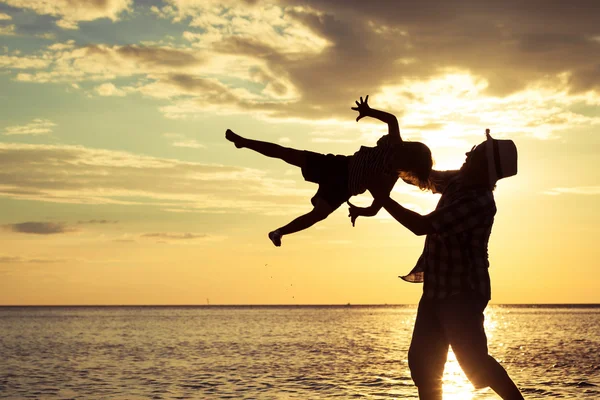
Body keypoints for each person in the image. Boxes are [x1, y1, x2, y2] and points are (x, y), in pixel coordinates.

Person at [351, 129, 524, 400]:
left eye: (475, 152)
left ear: (484, 166)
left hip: (462, 293)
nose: (468, 153)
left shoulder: (478, 201)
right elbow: (424, 177)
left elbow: (422, 226)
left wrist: (380, 196)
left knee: (476, 365)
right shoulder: (461, 180)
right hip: (436, 289)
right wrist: (393, 157)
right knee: (423, 367)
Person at [226, 95, 433, 247]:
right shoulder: (395, 145)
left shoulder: (390, 178)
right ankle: (243, 142)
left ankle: (279, 232)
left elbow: (376, 207)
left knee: (317, 215)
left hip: (343, 188)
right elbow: (392, 120)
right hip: (339, 165)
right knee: (288, 154)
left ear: (409, 167)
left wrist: (360, 211)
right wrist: (369, 112)